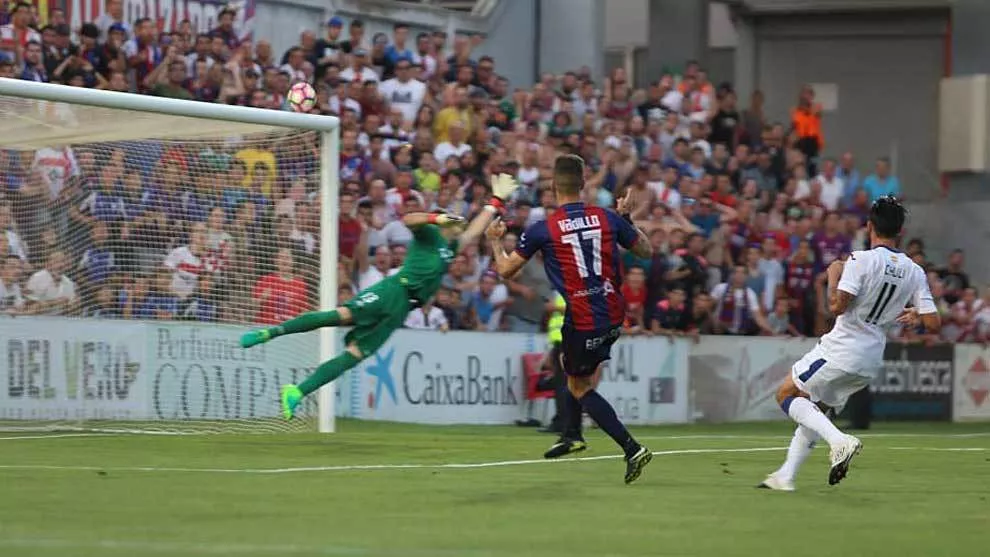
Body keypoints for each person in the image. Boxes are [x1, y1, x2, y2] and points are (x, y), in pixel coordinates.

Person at [239, 175, 519, 419]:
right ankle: (270, 332)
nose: (458, 226)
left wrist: (495, 200)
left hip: (402, 308)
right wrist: (435, 217)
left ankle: (297, 392)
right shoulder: (429, 236)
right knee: (340, 316)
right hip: (393, 290)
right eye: (452, 221)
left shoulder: (450, 249)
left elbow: (475, 228)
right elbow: (409, 220)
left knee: (356, 354)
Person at [486, 154, 655, 484]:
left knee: (578, 385)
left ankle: (631, 447)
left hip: (583, 316)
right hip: (614, 313)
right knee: (568, 366)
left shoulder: (543, 229)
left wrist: (494, 241)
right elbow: (646, 251)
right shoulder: (607, 218)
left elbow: (505, 270)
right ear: (584, 183)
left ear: (552, 186)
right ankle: (572, 435)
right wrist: (626, 217)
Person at [760, 197, 941, 492]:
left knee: (786, 394)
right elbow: (934, 324)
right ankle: (785, 476)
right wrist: (917, 314)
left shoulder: (860, 260)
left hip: (842, 348)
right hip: (870, 360)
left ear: (869, 226)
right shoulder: (914, 271)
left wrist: (833, 275)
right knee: (815, 409)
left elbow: (836, 307)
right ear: (900, 232)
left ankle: (840, 441)